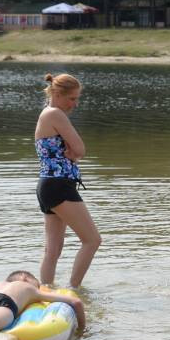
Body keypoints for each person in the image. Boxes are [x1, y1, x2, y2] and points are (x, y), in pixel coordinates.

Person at [35, 73, 102, 287]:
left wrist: (72, 153)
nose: (75, 103)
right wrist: (74, 153)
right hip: (59, 186)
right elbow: (81, 149)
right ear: (56, 93)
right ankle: (74, 289)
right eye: (72, 98)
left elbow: (75, 151)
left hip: (47, 185)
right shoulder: (55, 114)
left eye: (77, 98)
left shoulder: (46, 113)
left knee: (53, 249)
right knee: (92, 240)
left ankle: (45, 290)